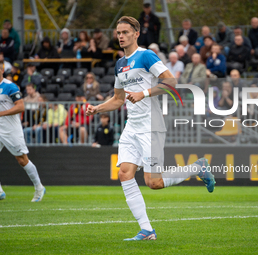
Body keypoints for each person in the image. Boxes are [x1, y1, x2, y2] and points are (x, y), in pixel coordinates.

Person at [86, 16, 215, 241]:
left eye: (125, 32)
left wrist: (144, 93)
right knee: (124, 174)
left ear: (136, 34)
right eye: (118, 32)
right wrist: (97, 109)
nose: (121, 36)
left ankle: (197, 168)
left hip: (151, 125)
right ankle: (147, 230)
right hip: (132, 127)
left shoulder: (146, 56)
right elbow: (118, 100)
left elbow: (171, 82)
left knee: (153, 183)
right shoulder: (119, 64)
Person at [0, 59, 45, 203]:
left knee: (22, 160)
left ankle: (39, 187)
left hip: (11, 130)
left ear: (2, 70)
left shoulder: (11, 86)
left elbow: (20, 107)